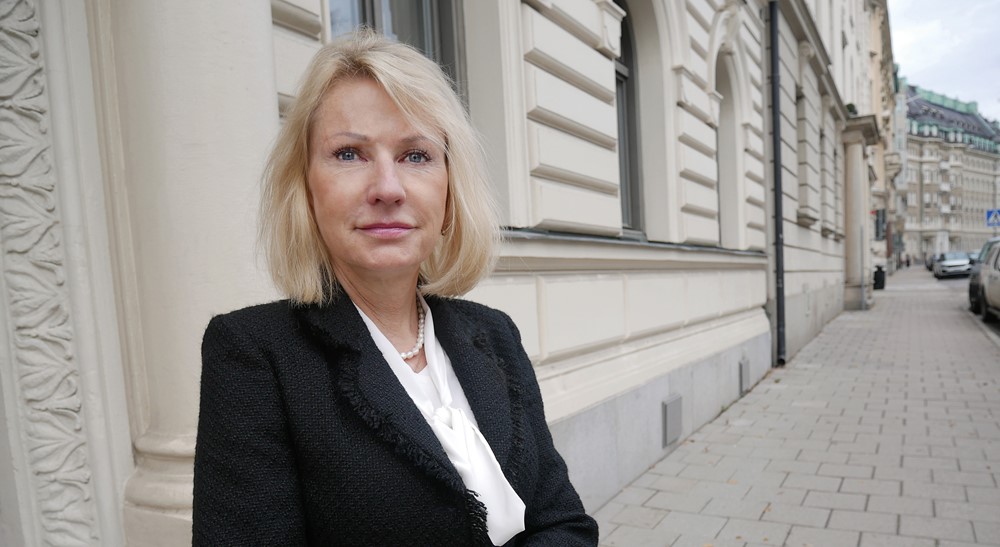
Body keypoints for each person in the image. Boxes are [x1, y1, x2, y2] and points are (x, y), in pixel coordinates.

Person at [192, 29, 597, 546]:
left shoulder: (495, 334)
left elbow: (565, 523)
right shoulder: (254, 354)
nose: (387, 188)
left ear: (449, 191)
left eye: (416, 156)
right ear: (306, 189)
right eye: (349, 154)